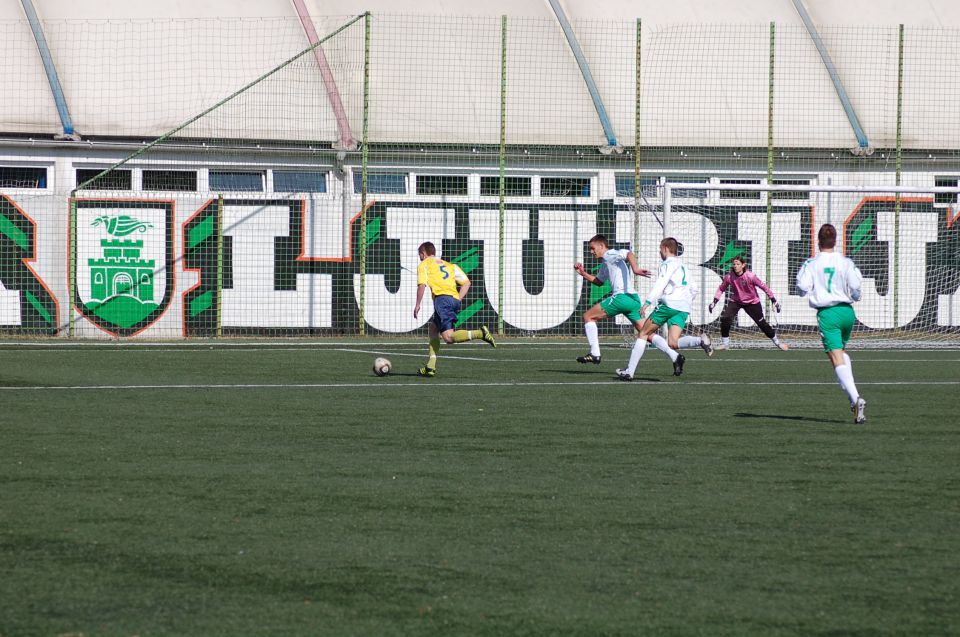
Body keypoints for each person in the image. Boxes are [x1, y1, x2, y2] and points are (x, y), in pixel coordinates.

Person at [796, 224, 866, 423]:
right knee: (840, 355)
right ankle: (852, 397)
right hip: (847, 313)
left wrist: (804, 292)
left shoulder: (811, 263)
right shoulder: (845, 262)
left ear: (818, 241)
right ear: (835, 241)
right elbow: (855, 285)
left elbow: (802, 286)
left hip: (828, 314)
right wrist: (856, 295)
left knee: (836, 359)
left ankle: (855, 399)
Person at [616, 237, 700, 381]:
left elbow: (660, 283)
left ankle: (629, 371)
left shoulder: (666, 264)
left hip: (669, 305)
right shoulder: (683, 266)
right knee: (673, 342)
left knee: (643, 333)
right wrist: (686, 303)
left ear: (666, 249)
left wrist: (647, 302)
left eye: (660, 249)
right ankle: (700, 341)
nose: (659, 252)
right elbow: (694, 288)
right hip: (683, 307)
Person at [413, 241, 496, 377]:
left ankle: (480, 333)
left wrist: (417, 304)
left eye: (420, 255)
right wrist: (457, 299)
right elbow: (467, 282)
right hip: (453, 299)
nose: (420, 258)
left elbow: (421, 285)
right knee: (434, 328)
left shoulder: (424, 265)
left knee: (448, 338)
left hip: (442, 300)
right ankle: (430, 366)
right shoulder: (449, 265)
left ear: (423, 254)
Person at [574, 234, 651, 365]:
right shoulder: (606, 262)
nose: (591, 252)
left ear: (601, 246)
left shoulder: (610, 254)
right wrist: (583, 273)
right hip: (633, 299)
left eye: (593, 248)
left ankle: (595, 354)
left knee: (588, 316)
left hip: (621, 298)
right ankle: (674, 354)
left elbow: (628, 253)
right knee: (646, 332)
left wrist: (636, 269)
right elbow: (598, 281)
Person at [708, 255, 789, 351]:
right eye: (734, 264)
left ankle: (778, 343)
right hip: (736, 301)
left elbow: (764, 287)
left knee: (762, 324)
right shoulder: (729, 277)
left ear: (743, 265)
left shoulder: (750, 276)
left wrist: (774, 301)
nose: (735, 266)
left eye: (738, 264)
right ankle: (725, 344)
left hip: (752, 303)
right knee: (726, 319)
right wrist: (714, 302)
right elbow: (721, 289)